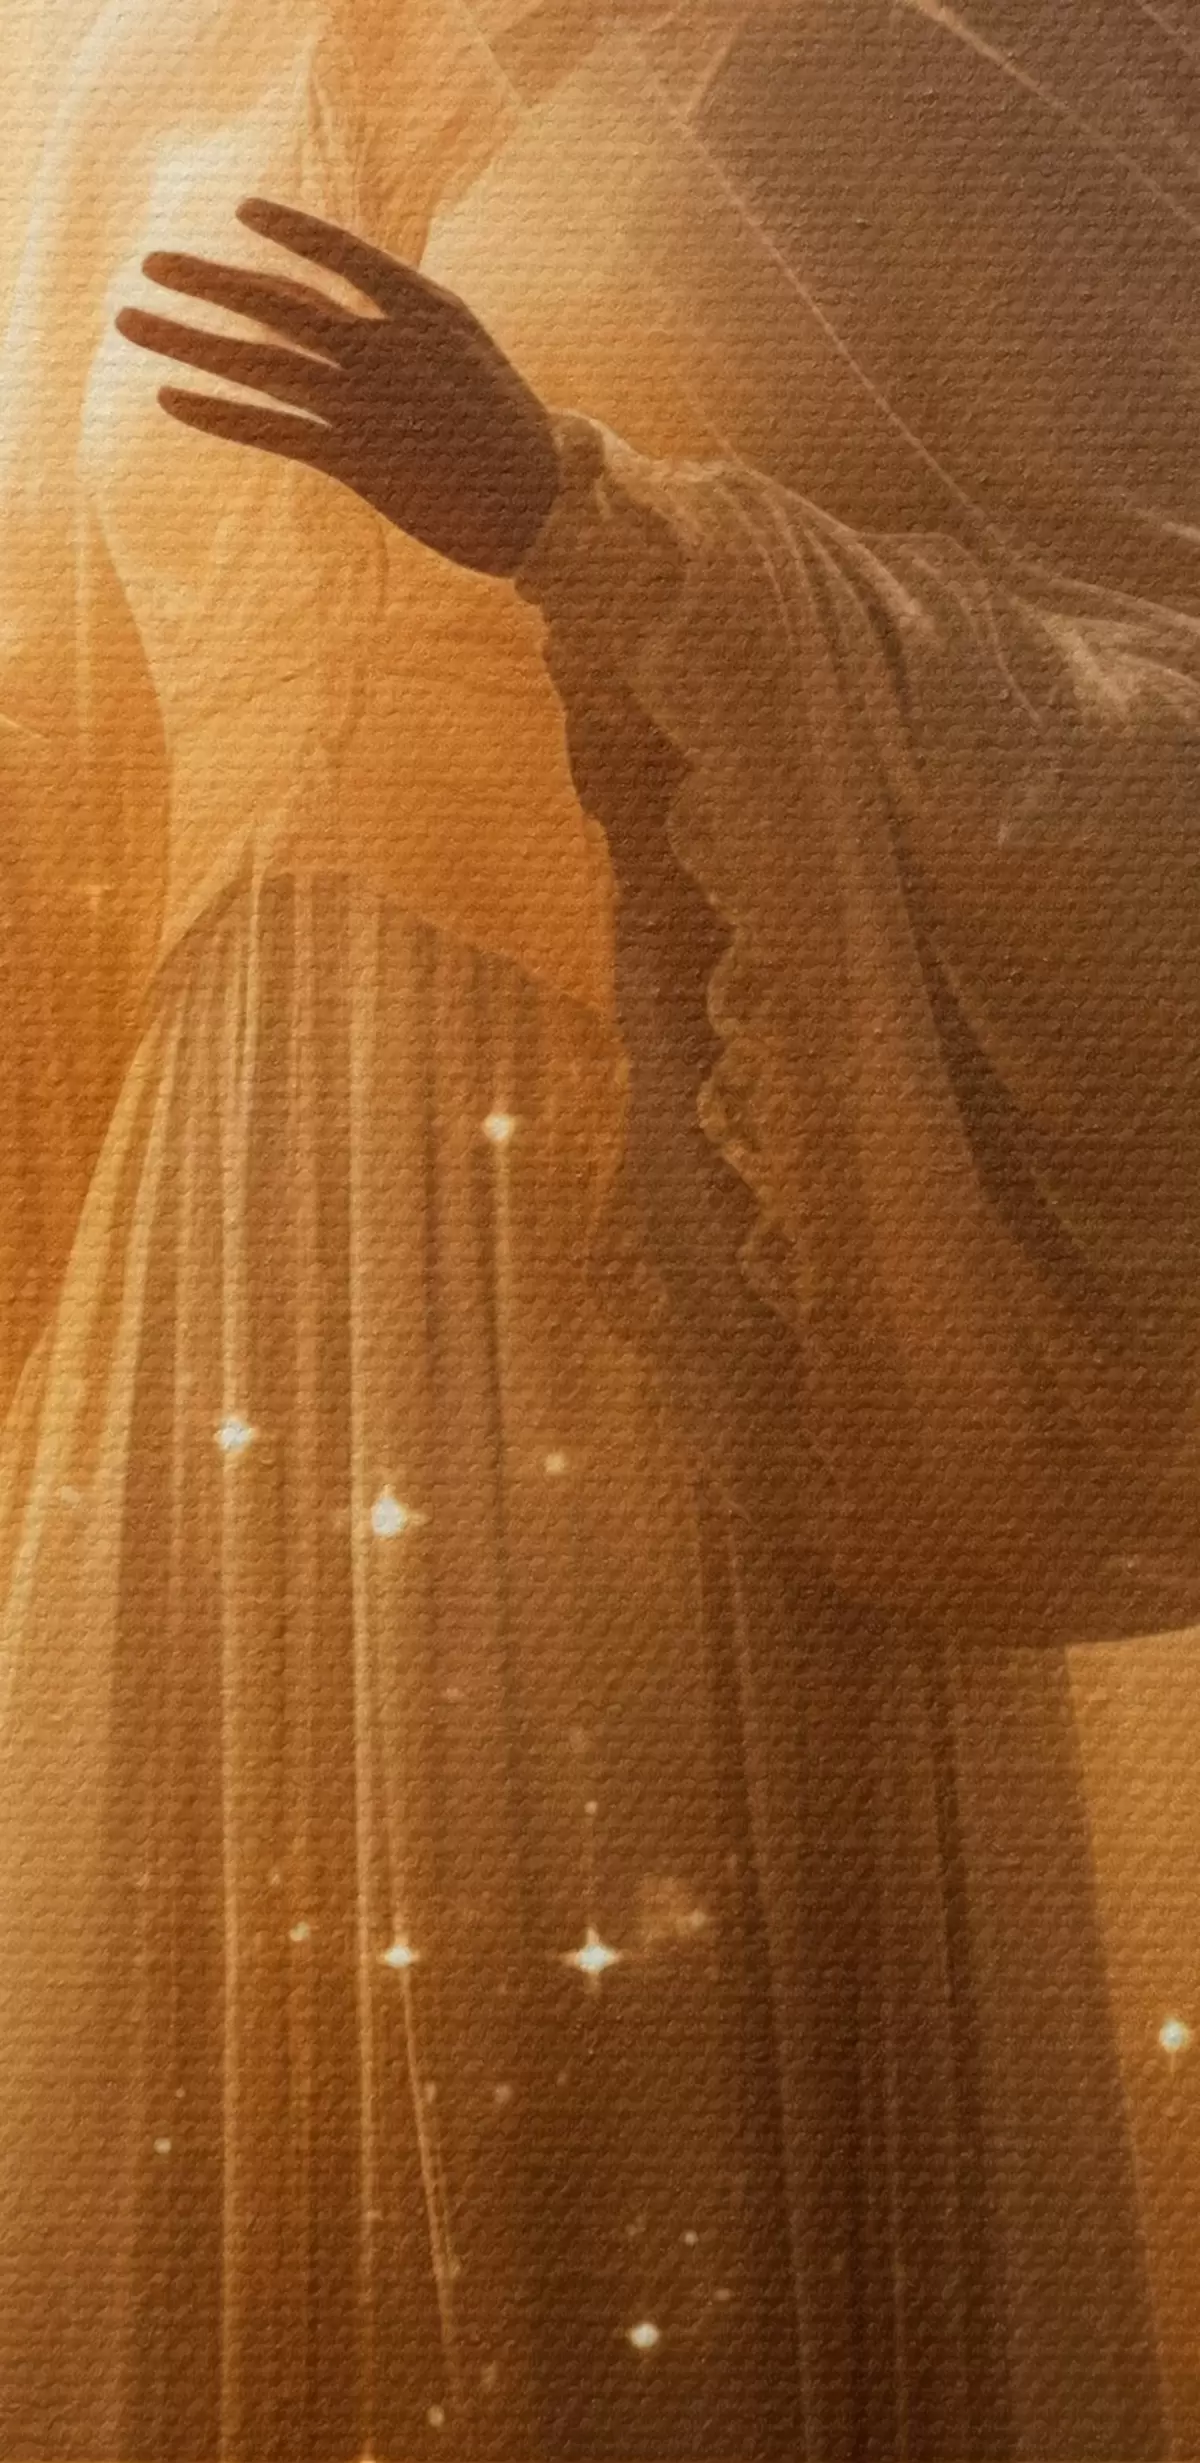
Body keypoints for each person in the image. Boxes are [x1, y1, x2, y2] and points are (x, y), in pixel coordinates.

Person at [0, 0, 1193, 2455]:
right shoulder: (147, 75)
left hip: (672, 1281)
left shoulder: (957, 44)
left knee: (632, 2132)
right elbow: (67, 750)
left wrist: (586, 520)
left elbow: (1159, 716)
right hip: (214, 1281)